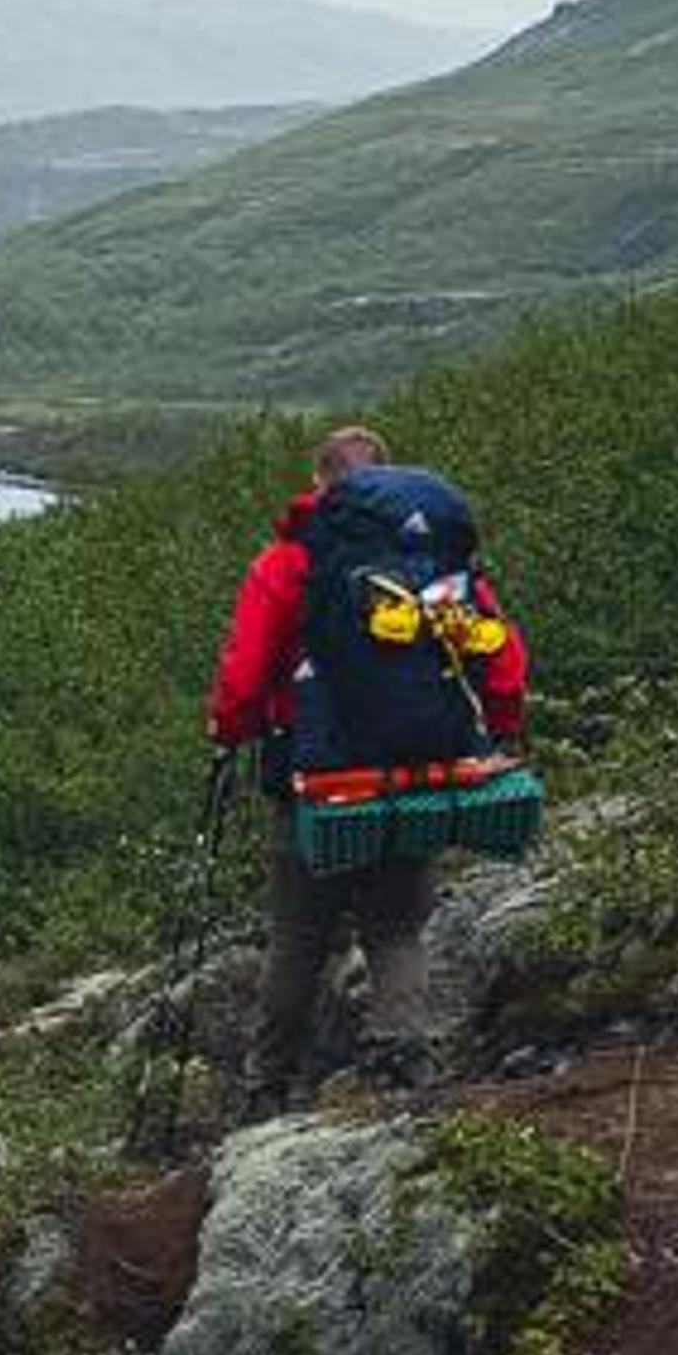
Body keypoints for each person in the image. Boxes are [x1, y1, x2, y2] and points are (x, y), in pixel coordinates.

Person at [207, 425, 529, 1102]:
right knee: (395, 924)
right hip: (423, 765)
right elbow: (501, 658)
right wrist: (499, 732)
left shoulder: (291, 561)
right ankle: (400, 1057)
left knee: (300, 934)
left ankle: (268, 1083)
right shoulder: (437, 558)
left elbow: (243, 676)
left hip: (317, 775)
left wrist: (230, 730)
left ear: (320, 484)